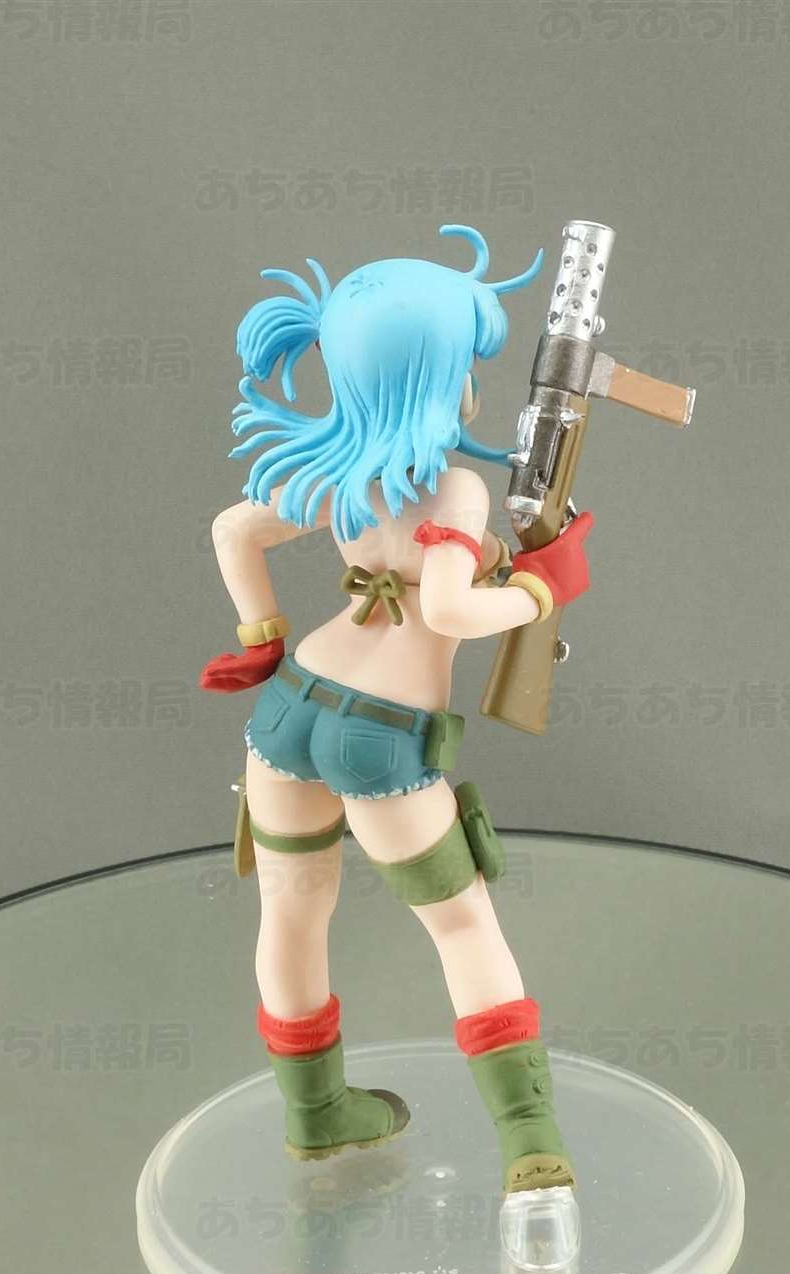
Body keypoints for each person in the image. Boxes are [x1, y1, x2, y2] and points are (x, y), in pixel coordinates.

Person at [200, 225, 593, 1205]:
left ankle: (316, 1115)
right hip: (382, 738)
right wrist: (540, 591)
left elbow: (235, 529)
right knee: (461, 925)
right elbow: (451, 612)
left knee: (291, 912)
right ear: (442, 376)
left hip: (290, 709)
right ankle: (530, 1144)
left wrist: (261, 638)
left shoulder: (343, 469)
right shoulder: (452, 486)